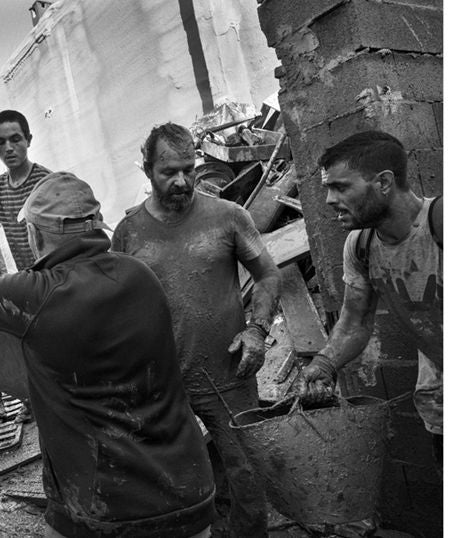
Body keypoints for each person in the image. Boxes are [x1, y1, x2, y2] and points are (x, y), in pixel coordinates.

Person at [0, 172, 217, 537]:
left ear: (36, 234)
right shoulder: (140, 276)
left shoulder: (38, 295)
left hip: (107, 507)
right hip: (189, 490)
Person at [111, 122, 280, 538]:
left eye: (189, 167)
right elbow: (115, 305)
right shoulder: (128, 233)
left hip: (228, 372)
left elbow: (268, 275)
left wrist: (257, 331)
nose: (182, 180)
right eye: (169, 172)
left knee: (246, 470)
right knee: (169, 476)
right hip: (162, 381)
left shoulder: (227, 216)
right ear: (147, 170)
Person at [300, 130, 442, 467]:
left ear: (383, 182)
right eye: (327, 189)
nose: (330, 200)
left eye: (341, 186)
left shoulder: (442, 223)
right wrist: (325, 364)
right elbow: (355, 322)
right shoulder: (360, 245)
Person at [0, 109, 50, 423]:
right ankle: (35, 402)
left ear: (29, 140)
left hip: (51, 278)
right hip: (24, 282)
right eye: (0, 142)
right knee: (29, 345)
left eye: (15, 139)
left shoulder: (46, 181)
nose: (8, 147)